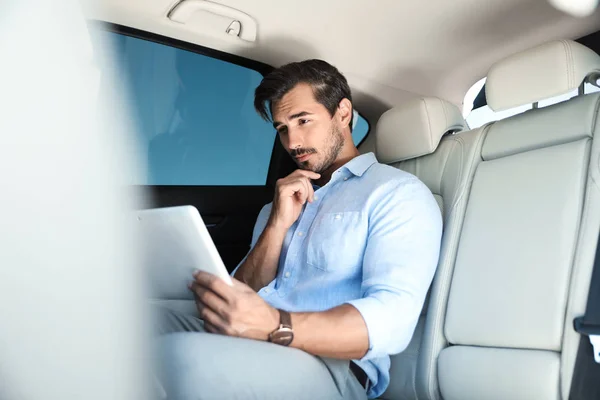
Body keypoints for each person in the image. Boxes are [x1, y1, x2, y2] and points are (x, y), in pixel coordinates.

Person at [154, 59, 443, 399]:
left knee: (173, 359)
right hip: (255, 340)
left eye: (303, 120)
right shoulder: (281, 201)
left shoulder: (397, 193)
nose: (293, 142)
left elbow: (392, 321)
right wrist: (277, 224)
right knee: (124, 318)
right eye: (282, 129)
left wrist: (275, 324)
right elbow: (243, 291)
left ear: (344, 113)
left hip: (330, 366)